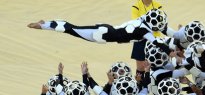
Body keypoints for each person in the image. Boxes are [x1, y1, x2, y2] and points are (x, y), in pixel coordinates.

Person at [27, 9, 175, 57]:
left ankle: (45, 23)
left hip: (106, 30)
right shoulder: (144, 31)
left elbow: (161, 30)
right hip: (102, 35)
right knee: (72, 29)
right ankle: (44, 24)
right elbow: (156, 41)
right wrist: (170, 51)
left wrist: (175, 35)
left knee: (73, 29)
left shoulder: (143, 19)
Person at [131, 0, 163, 75]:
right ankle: (140, 85)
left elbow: (161, 22)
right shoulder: (136, 6)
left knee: (157, 66)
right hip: (140, 38)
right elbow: (135, 23)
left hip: (155, 39)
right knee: (141, 67)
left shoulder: (158, 5)